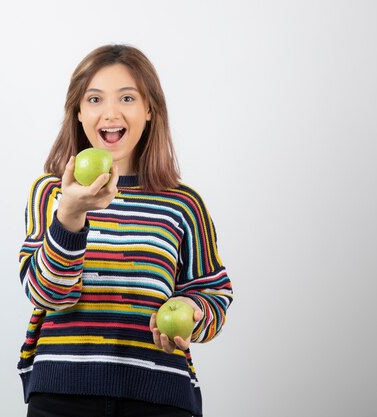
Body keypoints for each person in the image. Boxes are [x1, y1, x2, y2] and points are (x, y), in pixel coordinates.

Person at [17, 44, 233, 417]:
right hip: (62, 396)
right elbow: (47, 295)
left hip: (160, 397)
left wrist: (194, 311)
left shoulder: (183, 203)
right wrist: (70, 215)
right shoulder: (52, 193)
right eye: (95, 98)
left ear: (149, 110)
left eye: (128, 97)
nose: (111, 113)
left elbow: (213, 291)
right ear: (79, 111)